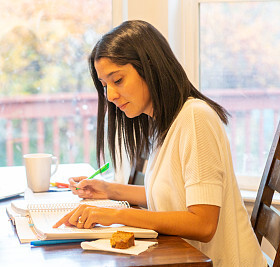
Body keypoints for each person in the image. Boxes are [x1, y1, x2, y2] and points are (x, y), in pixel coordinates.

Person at [53, 20, 266, 266]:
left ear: (150, 68)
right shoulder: (165, 123)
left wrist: (117, 215)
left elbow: (203, 223)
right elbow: (170, 196)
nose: (109, 95)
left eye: (118, 80)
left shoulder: (195, 117)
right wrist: (109, 190)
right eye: (104, 85)